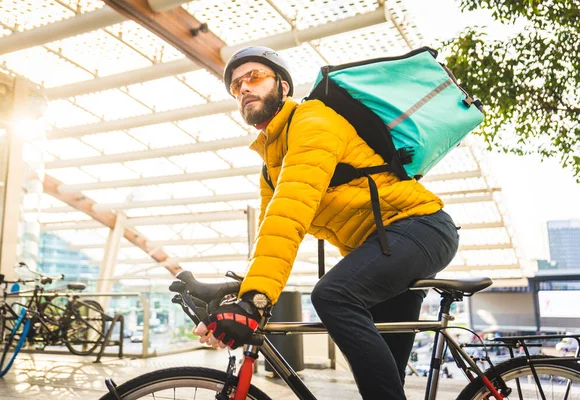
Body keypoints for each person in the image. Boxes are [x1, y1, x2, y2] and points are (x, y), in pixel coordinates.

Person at [194, 46, 460, 400]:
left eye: (254, 77)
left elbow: (291, 212)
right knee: (383, 386)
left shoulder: (312, 120)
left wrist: (256, 302)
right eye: (235, 85)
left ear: (284, 88)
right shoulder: (270, 168)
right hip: (383, 247)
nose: (243, 88)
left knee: (333, 295)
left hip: (421, 226)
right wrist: (239, 292)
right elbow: (272, 236)